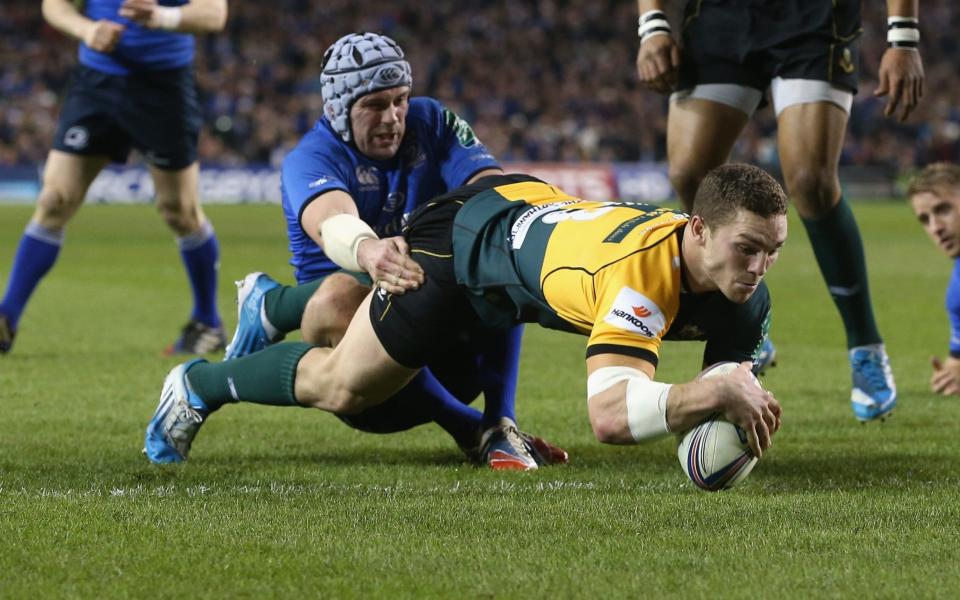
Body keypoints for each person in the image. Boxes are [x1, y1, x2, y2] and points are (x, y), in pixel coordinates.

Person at [144, 163, 786, 468]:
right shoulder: (642, 279)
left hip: (524, 220)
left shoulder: (744, 294)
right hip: (460, 246)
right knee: (346, 385)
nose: (758, 267)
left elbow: (723, 389)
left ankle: (273, 301)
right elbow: (611, 417)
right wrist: (717, 391)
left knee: (363, 328)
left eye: (772, 252)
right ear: (698, 230)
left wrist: (728, 396)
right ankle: (198, 384)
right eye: (746, 248)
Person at [174, 32, 565, 470]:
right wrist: (368, 250)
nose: (393, 117)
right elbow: (333, 223)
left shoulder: (431, 121)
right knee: (342, 298)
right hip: (366, 368)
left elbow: (486, 186)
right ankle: (473, 429)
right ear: (338, 109)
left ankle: (499, 422)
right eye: (375, 105)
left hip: (450, 345)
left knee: (496, 246)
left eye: (400, 100)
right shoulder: (311, 158)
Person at [635, 0, 924, 422]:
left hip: (815, 18)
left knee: (811, 181)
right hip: (720, 16)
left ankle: (866, 347)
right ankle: (743, 321)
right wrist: (653, 24)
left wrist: (903, 36)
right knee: (689, 174)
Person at [0, 0, 228, 356]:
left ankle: (207, 321)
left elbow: (214, 14)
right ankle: (6, 318)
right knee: (54, 199)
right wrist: (87, 29)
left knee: (179, 211)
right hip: (98, 83)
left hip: (163, 87)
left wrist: (161, 16)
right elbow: (55, 6)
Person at [907, 163, 960, 397]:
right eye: (925, 220)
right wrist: (950, 376)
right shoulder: (956, 295)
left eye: (943, 209)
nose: (935, 228)